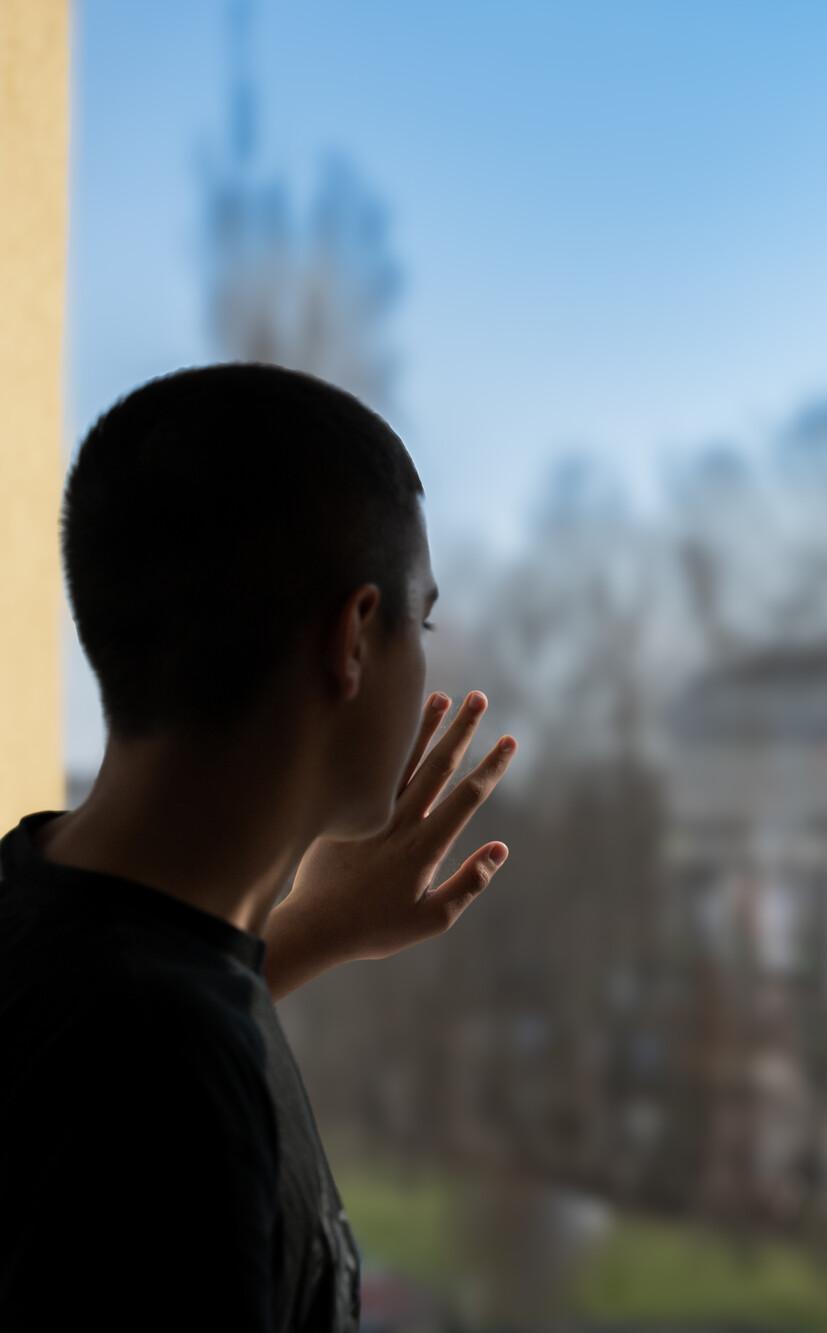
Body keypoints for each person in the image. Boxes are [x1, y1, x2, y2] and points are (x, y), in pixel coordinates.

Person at [0, 362, 518, 1330]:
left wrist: (301, 933)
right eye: (423, 618)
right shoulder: (175, 1092)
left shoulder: (31, 899)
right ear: (353, 638)